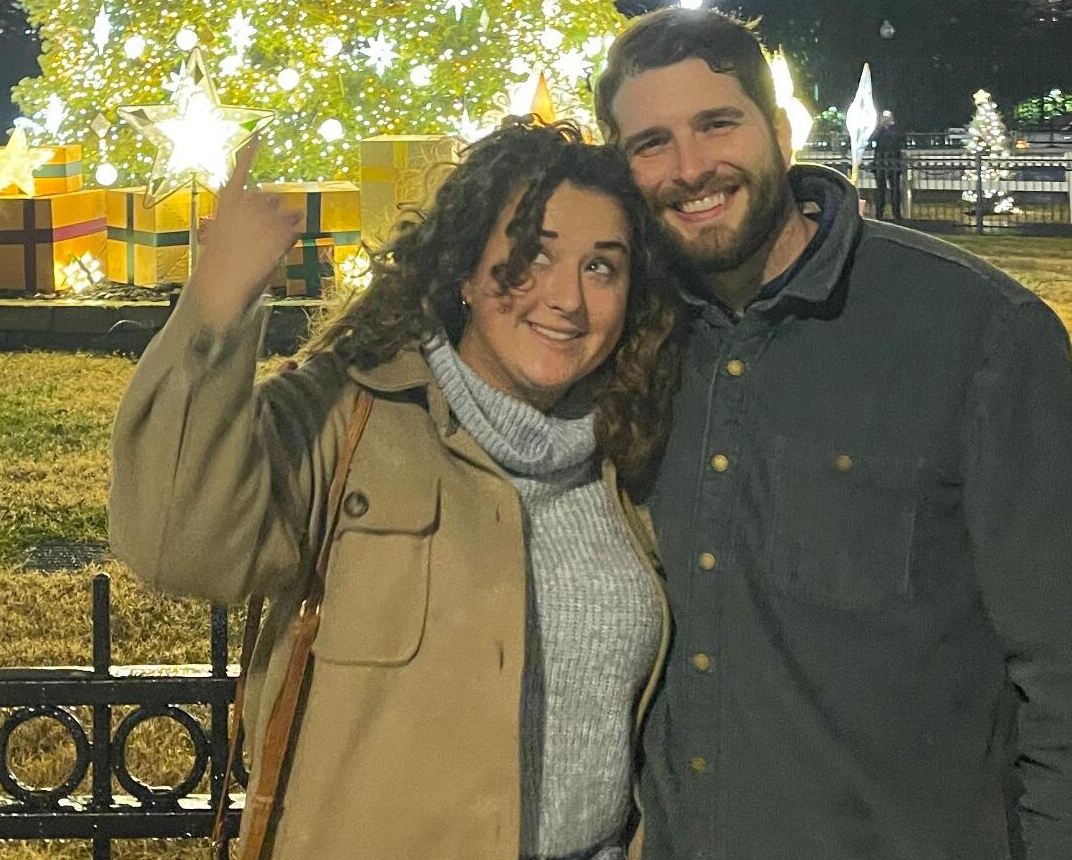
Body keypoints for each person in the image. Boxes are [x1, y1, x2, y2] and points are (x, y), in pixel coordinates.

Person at [596, 7, 1072, 860]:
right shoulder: (625, 338)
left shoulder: (974, 334)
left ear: (781, 129)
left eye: (717, 123)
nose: (689, 167)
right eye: (650, 143)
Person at [110, 119, 684, 860]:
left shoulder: (633, 453)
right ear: (465, 271)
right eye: (532, 255)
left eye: (601, 267)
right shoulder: (347, 415)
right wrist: (214, 311)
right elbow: (175, 544)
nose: (567, 299)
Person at [871, 107, 907, 220]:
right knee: (880, 190)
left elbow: (900, 140)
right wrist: (880, 127)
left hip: (893, 163)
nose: (886, 120)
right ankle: (879, 214)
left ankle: (896, 214)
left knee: (895, 190)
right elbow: (873, 138)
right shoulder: (878, 130)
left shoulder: (896, 129)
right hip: (880, 163)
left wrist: (890, 127)